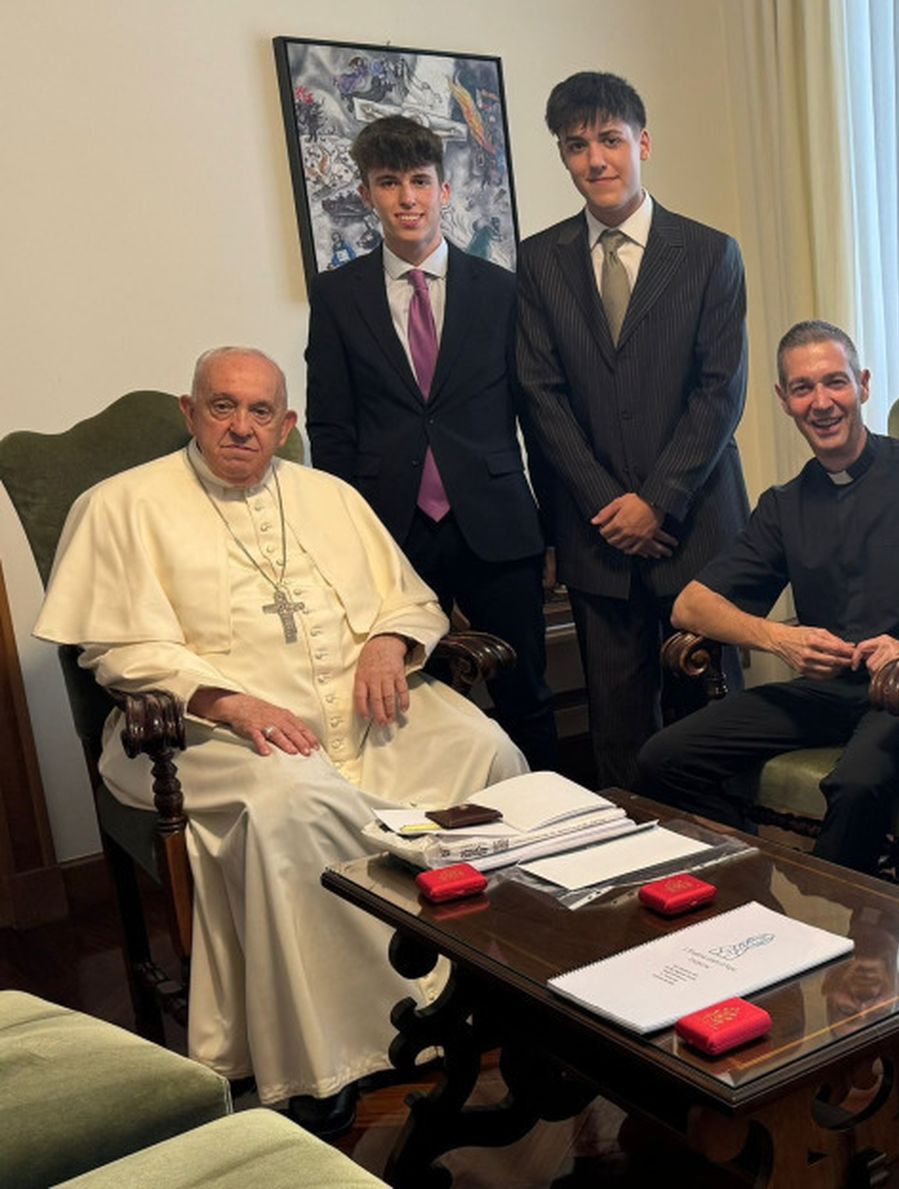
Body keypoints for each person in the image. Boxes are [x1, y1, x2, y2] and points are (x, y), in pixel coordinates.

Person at [35, 347, 527, 1135]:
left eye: (261, 411)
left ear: (287, 423)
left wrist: (390, 642)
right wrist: (227, 701)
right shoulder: (120, 505)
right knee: (294, 800)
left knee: (488, 751)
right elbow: (115, 650)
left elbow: (407, 600)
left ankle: (490, 992)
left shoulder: (330, 496)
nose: (242, 426)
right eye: (222, 406)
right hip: (208, 730)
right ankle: (333, 1052)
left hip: (358, 715)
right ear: (189, 412)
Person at [637, 321, 899, 872]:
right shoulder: (786, 503)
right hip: (827, 690)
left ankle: (821, 913)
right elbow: (690, 605)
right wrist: (781, 639)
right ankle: (750, 883)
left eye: (835, 382)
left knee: (856, 785)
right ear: (784, 400)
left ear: (863, 385)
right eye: (803, 388)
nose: (821, 403)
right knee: (663, 758)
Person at [516, 70, 748, 789]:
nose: (596, 160)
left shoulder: (710, 252)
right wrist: (611, 507)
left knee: (712, 727)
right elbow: (540, 395)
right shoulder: (538, 260)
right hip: (597, 539)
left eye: (610, 140)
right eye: (576, 145)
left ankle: (725, 855)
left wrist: (657, 501)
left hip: (696, 527)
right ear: (562, 156)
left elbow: (720, 393)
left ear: (642, 143)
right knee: (618, 734)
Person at [305, 114, 557, 770]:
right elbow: (330, 428)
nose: (407, 198)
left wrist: (553, 530)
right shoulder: (336, 296)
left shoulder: (501, 289)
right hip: (392, 534)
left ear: (445, 190)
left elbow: (537, 415)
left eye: (420, 181)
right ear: (366, 194)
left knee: (526, 693)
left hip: (499, 526)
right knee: (419, 707)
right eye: (389, 183)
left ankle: (556, 817)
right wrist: (344, 543)